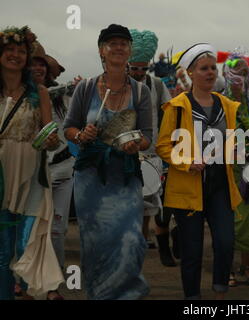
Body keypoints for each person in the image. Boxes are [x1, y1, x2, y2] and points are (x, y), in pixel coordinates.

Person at [63, 24, 152, 300]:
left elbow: (149, 137)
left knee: (130, 239)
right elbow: (68, 129)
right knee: (97, 244)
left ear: (130, 51)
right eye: (112, 43)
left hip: (125, 177)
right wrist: (81, 135)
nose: (118, 47)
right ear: (102, 50)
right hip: (91, 179)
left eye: (123, 43)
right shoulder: (86, 89)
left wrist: (136, 144)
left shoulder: (140, 92)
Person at [156, 43, 242, 299]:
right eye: (203, 68)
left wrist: (234, 150)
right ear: (190, 72)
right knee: (192, 251)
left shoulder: (227, 105)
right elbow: (163, 146)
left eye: (212, 68)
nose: (210, 72)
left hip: (220, 186)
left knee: (225, 244)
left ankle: (219, 296)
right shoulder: (177, 106)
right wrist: (187, 161)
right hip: (188, 186)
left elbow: (230, 140)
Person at [0, 26, 63, 300]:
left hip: (31, 178)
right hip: (1, 178)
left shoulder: (40, 93)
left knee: (28, 244)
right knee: (2, 252)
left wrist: (50, 141)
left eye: (22, 51)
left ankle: (29, 293)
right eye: (10, 50)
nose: (16, 55)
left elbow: (51, 134)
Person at [128, 28, 179, 266]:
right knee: (129, 208)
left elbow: (170, 112)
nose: (139, 73)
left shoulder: (157, 85)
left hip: (151, 153)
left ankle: (144, 249)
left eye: (142, 68)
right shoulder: (119, 84)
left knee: (149, 207)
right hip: (124, 152)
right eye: (134, 68)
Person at [30, 41, 73, 300]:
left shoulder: (61, 96)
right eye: (33, 63)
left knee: (58, 228)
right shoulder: (21, 97)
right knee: (32, 226)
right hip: (33, 172)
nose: (37, 68)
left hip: (64, 169)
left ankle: (54, 279)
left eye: (41, 64)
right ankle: (26, 277)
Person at [222, 52, 249, 287]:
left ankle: (247, 265)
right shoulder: (219, 100)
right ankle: (226, 267)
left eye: (242, 73)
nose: (237, 77)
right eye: (232, 73)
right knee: (229, 217)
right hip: (229, 166)